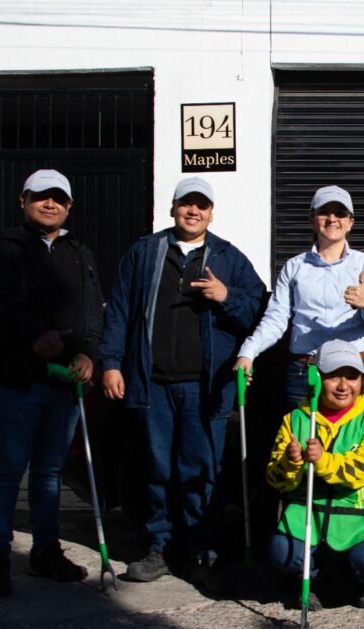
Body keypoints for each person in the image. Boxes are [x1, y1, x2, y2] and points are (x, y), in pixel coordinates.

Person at [100, 177, 266, 586]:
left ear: (212, 212)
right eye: (186, 204)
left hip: (204, 386)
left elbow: (262, 311)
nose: (194, 212)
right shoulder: (145, 253)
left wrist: (227, 296)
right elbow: (119, 309)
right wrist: (111, 362)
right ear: (173, 208)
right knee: (157, 467)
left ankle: (202, 548)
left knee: (201, 469)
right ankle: (159, 547)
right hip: (152, 381)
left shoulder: (228, 257)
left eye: (202, 206)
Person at [0, 169, 104, 596]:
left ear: (69, 206)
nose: (49, 204)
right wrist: (35, 335)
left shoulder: (79, 252)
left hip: (64, 384)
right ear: (23, 201)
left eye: (58, 198)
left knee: (49, 472)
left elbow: (91, 312)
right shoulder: (3, 249)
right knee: (7, 468)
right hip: (16, 380)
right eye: (40, 197)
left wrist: (89, 353)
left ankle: (45, 551)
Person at [265, 339, 364, 609]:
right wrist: (292, 462)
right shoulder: (295, 420)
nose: (343, 385)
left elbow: (362, 470)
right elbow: (275, 480)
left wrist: (323, 460)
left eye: (352, 376)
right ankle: (311, 578)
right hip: (308, 515)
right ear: (316, 377)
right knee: (282, 552)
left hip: (358, 521)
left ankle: (353, 578)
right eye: (333, 376)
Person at [234, 186, 364, 408]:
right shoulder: (294, 267)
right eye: (325, 212)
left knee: (355, 443)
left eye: (340, 213)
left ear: (350, 222)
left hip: (352, 371)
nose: (332, 218)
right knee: (299, 442)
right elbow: (275, 319)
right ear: (312, 219)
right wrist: (248, 352)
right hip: (305, 371)